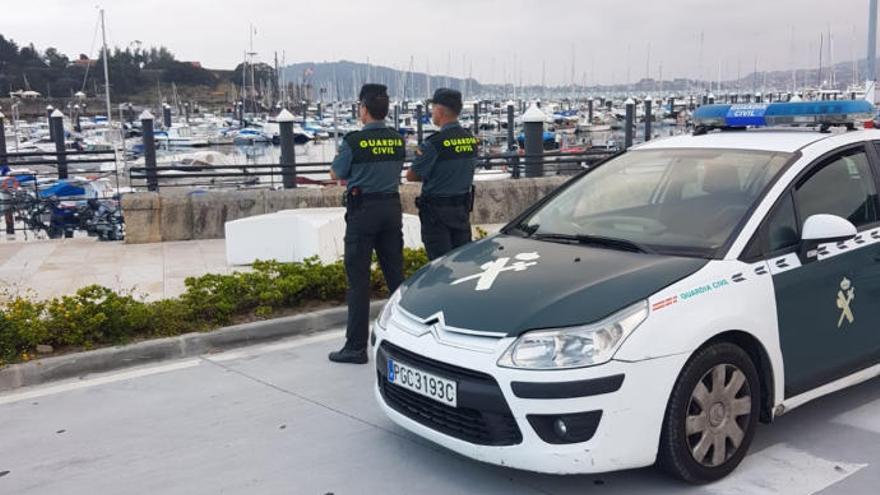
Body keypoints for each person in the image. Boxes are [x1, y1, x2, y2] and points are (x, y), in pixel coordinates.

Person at [328, 84, 405, 364]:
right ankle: (405, 340)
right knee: (396, 278)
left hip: (363, 212)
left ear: (364, 109)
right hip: (391, 208)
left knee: (358, 281)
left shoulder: (354, 141)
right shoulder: (397, 139)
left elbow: (336, 171)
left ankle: (355, 347)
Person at [406, 88, 478, 260]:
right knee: (463, 262)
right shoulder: (471, 140)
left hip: (436, 215)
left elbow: (411, 175)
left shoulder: (434, 144)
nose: (432, 113)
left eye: (432, 109)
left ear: (439, 110)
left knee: (440, 267)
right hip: (461, 211)